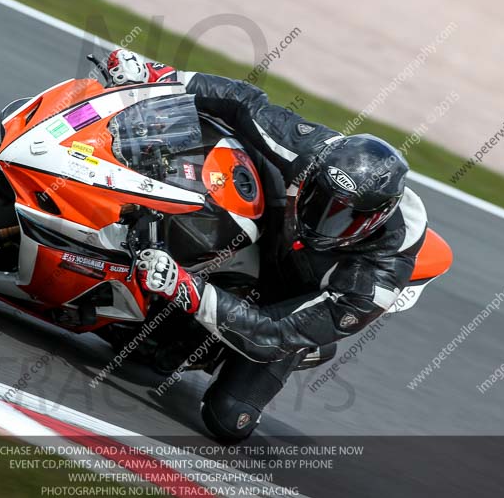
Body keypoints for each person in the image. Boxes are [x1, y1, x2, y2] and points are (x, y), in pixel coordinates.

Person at [107, 49, 428, 441]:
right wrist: (158, 76)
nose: (322, 218)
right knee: (227, 142)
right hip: (276, 231)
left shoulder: (375, 278)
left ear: (377, 219)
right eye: (319, 198)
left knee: (228, 419)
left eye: (343, 216)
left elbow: (274, 333)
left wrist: (185, 288)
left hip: (293, 302)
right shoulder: (317, 153)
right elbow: (245, 104)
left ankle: (300, 346)